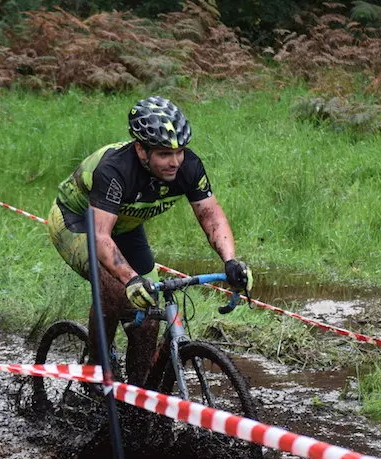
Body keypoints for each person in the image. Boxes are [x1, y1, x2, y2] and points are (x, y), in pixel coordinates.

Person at [48, 95, 253, 386]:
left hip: (126, 227)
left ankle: (139, 390)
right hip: (78, 221)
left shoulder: (189, 167)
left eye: (179, 151)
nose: (175, 162)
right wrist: (129, 278)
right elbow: (100, 235)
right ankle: (97, 371)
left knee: (149, 311)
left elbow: (211, 215)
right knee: (115, 286)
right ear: (141, 150)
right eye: (164, 154)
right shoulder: (114, 169)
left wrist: (231, 260)